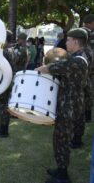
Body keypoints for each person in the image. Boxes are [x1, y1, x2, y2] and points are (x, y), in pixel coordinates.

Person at [36, 28, 89, 183]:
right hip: (71, 103)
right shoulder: (80, 57)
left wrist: (38, 70)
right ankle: (60, 169)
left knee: (61, 140)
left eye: (68, 40)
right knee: (61, 139)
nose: (66, 43)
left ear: (75, 42)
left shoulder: (77, 61)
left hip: (69, 106)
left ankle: (62, 176)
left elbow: (49, 68)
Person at [0, 30, 15, 138]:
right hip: (7, 81)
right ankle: (3, 130)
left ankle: (3, 131)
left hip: (4, 82)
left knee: (2, 108)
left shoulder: (4, 51)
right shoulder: (10, 50)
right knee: (4, 107)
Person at [83, 14, 94, 122]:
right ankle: (87, 116)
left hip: (81, 68)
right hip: (89, 69)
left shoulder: (78, 32)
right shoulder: (90, 34)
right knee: (89, 92)